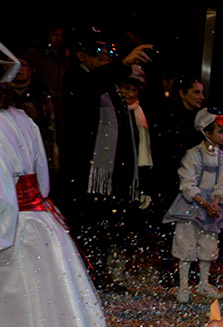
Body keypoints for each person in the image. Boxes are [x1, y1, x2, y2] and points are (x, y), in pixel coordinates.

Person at [0, 84, 107, 327]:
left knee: (13, 311)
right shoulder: (23, 120)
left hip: (11, 225)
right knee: (44, 306)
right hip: (39, 221)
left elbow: (2, 196)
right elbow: (40, 179)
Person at [61, 30, 153, 290]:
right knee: (87, 227)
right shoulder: (76, 79)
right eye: (98, 51)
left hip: (112, 173)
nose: (105, 56)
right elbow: (90, 87)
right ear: (80, 55)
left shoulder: (109, 84)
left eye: (109, 52)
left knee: (109, 227)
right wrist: (121, 63)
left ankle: (103, 274)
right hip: (86, 173)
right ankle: (84, 278)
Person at [162, 108, 223, 303]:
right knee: (186, 244)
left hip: (211, 207)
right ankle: (183, 286)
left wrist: (215, 202)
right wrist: (203, 202)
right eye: (220, 130)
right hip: (191, 205)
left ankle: (203, 283)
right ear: (207, 133)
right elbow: (187, 183)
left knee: (208, 244)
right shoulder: (193, 154)